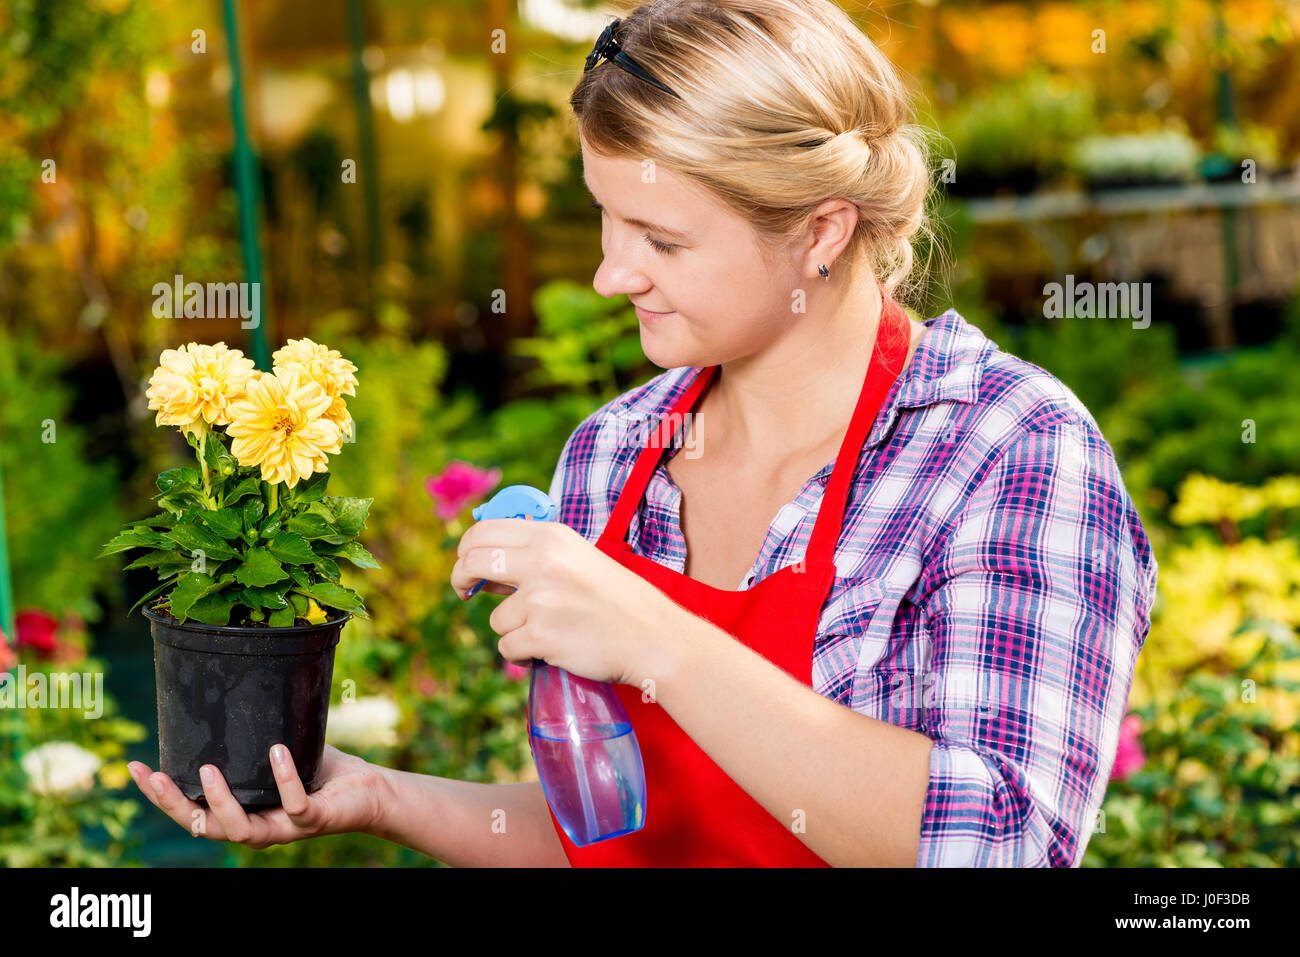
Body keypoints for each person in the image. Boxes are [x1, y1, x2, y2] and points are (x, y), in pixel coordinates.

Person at [129, 0, 1158, 867]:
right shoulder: (615, 456)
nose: (611, 275)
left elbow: (1005, 841)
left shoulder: (1006, 452)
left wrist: (656, 639)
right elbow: (609, 829)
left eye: (662, 239)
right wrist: (378, 795)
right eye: (605, 219)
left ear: (821, 233)